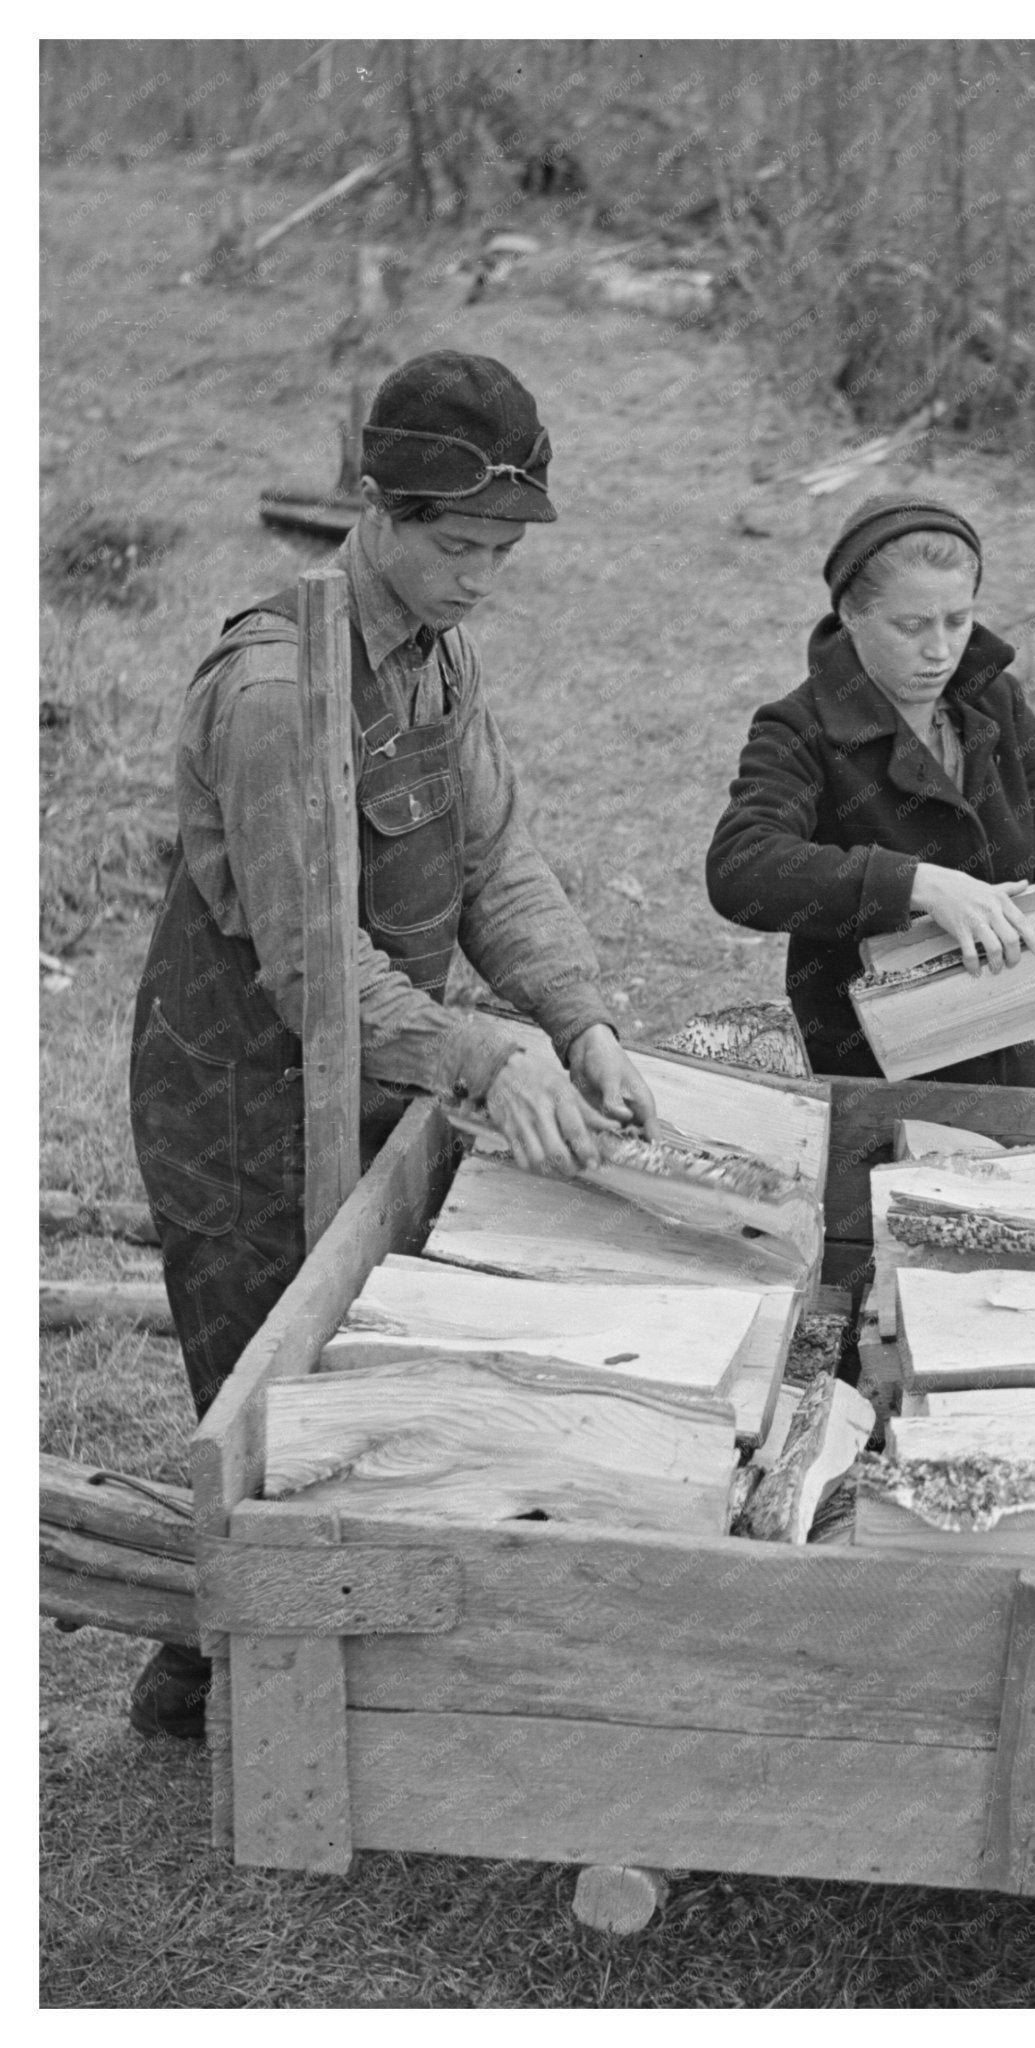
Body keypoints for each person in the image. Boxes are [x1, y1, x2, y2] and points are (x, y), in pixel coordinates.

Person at [126, 351, 657, 1738]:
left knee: (363, 1352)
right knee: (260, 1376)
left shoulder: (437, 649)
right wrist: (480, 1055)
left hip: (375, 1050)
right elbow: (313, 969)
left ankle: (334, 1658)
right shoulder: (273, 692)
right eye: (458, 547)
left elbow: (491, 864)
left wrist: (578, 1019)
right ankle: (204, 1675)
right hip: (244, 1072)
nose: (482, 576)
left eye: (501, 550)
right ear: (379, 510)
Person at [705, 493, 1035, 1083]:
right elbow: (742, 867)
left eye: (957, 621)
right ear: (853, 618)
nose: (940, 650)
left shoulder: (997, 703)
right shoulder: (802, 728)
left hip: (1003, 1052)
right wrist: (918, 884)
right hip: (866, 1066)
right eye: (910, 626)